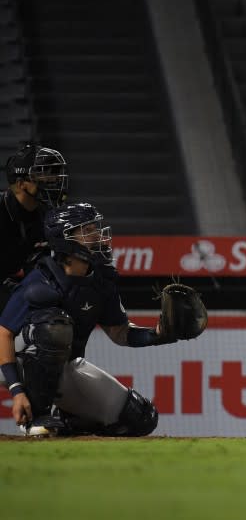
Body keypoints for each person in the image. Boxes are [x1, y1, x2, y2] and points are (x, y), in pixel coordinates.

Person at [0, 202, 193, 437]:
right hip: (14, 361)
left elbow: (119, 333)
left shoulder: (100, 280)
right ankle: (37, 417)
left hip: (65, 368)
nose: (97, 235)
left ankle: (66, 420)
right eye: (87, 230)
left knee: (140, 418)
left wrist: (158, 335)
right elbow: (4, 333)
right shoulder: (41, 280)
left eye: (95, 228)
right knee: (53, 327)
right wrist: (16, 390)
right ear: (66, 239)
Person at [1, 143, 69, 311]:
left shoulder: (46, 214)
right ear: (21, 183)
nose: (52, 179)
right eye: (42, 174)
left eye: (51, 174)